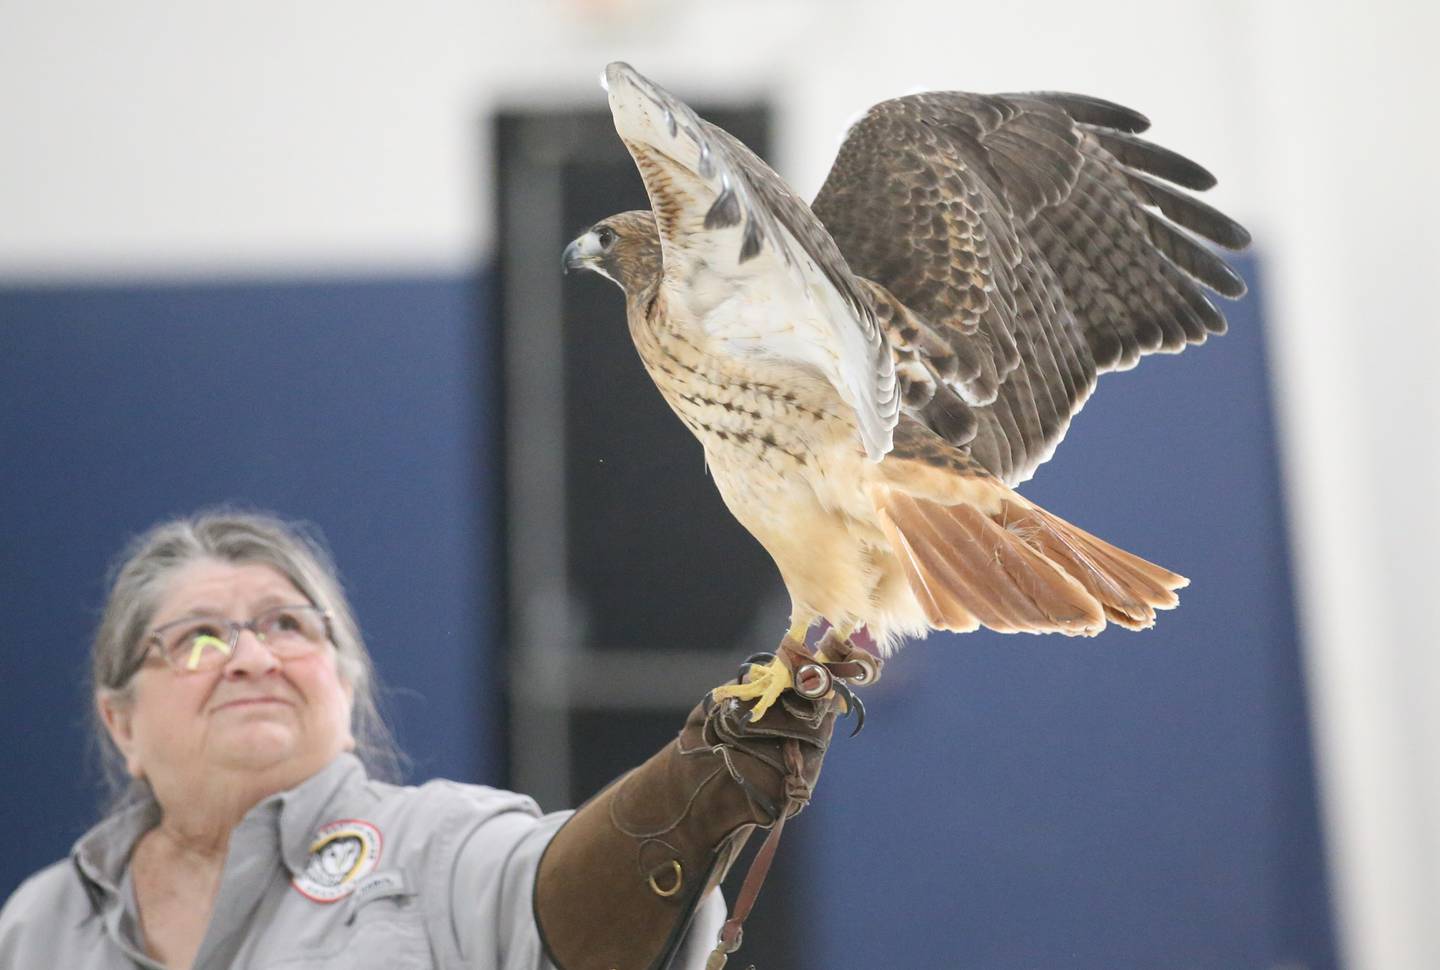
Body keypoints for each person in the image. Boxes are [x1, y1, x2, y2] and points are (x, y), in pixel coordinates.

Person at [0, 510, 839, 970]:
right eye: (199, 639)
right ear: (121, 724)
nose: (251, 657)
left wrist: (693, 792)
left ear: (346, 677)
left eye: (287, 625)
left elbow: (563, 903)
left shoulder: (439, 845)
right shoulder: (41, 924)